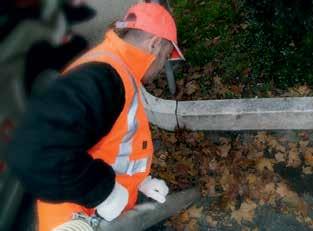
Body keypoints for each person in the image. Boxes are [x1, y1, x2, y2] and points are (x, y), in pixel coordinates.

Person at [6, 2, 184, 231]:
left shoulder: (119, 69)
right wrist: (103, 192)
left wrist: (140, 182)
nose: (162, 66)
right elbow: (33, 151)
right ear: (155, 44)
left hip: (98, 212)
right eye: (166, 56)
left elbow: (111, 141)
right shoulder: (103, 76)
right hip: (73, 219)